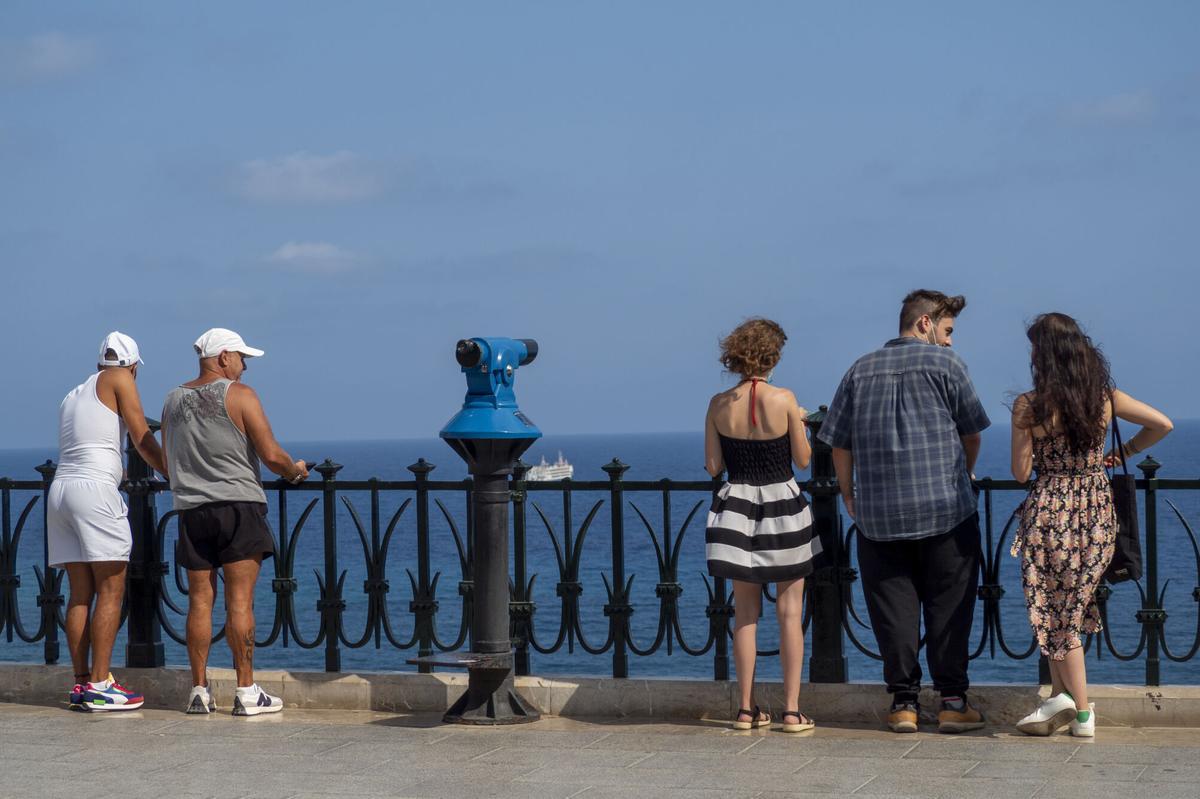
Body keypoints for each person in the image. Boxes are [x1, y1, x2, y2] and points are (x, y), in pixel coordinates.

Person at [817, 290, 990, 734]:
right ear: (925, 323)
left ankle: (904, 704)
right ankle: (952, 701)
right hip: (946, 511)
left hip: (879, 517)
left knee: (893, 611)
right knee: (950, 605)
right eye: (947, 331)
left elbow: (838, 441)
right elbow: (972, 433)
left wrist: (849, 495)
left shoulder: (859, 369)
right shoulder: (947, 366)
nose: (950, 342)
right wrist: (963, 474)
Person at [1011, 313, 1172, 738]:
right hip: (1095, 510)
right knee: (1072, 605)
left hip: (1050, 510)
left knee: (1058, 611)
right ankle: (1061, 699)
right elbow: (1162, 424)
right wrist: (1124, 453)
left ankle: (1082, 713)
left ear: (1044, 355)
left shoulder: (1030, 406)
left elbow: (1019, 473)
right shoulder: (1103, 397)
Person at [161, 328, 309, 716]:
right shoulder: (240, 395)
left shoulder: (172, 399)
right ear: (223, 357)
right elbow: (271, 453)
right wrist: (294, 471)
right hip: (238, 507)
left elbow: (168, 456)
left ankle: (198, 689)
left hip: (192, 510)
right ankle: (245, 690)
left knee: (199, 601)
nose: (245, 367)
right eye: (242, 358)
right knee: (239, 601)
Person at [705, 318, 818, 733]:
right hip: (783, 507)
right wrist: (801, 422)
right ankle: (791, 711)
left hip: (736, 509)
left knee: (745, 614)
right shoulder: (785, 398)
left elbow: (714, 465)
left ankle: (746, 709)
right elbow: (803, 459)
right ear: (773, 356)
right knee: (790, 612)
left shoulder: (717, 404)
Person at [48, 332, 167, 711]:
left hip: (61, 491)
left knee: (81, 592)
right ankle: (101, 684)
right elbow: (141, 435)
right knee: (112, 589)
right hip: (95, 490)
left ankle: (82, 682)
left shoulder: (72, 395)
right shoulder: (120, 379)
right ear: (131, 365)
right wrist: (172, 471)